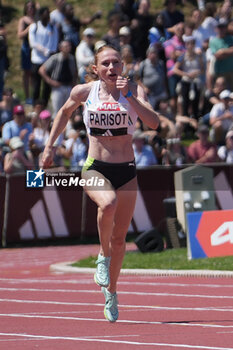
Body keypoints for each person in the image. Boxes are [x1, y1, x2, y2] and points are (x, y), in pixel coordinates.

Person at [41, 45, 159, 322]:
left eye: (115, 62)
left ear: (123, 65)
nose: (110, 67)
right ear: (95, 69)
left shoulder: (134, 90)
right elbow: (63, 113)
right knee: (108, 204)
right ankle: (101, 259)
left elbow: (153, 123)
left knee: (120, 240)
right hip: (95, 167)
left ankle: (112, 291)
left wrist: (131, 96)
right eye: (105, 63)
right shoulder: (85, 92)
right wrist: (49, 147)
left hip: (127, 170)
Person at [28, 6, 59, 105]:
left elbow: (55, 41)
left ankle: (44, 103)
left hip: (48, 60)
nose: (47, 16)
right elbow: (33, 43)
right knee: (36, 83)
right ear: (40, 15)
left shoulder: (53, 27)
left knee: (47, 84)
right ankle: (35, 103)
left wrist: (51, 52)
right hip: (37, 59)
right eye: (45, 14)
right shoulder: (34, 26)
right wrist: (43, 50)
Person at [39, 40, 77, 119]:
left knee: (69, 109)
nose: (67, 48)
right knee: (57, 110)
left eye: (69, 46)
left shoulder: (71, 58)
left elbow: (74, 72)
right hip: (58, 87)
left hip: (68, 86)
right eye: (65, 47)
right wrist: (50, 81)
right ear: (61, 48)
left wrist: (74, 82)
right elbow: (42, 70)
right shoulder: (55, 58)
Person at [17, 0, 36, 104]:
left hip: (35, 49)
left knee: (34, 73)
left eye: (32, 7)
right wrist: (29, 28)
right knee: (26, 72)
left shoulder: (37, 19)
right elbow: (20, 35)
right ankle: (27, 96)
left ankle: (34, 95)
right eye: (28, 7)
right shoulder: (23, 20)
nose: (30, 9)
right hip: (26, 47)